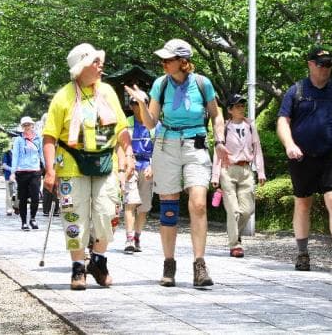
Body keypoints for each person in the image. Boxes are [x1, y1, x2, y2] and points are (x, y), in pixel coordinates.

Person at [125, 38, 228, 288]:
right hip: (166, 145)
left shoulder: (202, 83)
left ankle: (199, 264)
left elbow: (217, 115)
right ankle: (169, 263)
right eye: (162, 59)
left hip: (195, 144)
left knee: (199, 203)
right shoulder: (160, 84)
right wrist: (142, 103)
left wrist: (220, 141)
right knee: (169, 206)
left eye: (168, 59)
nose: (163, 63)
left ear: (183, 62)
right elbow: (151, 123)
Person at [42, 43, 134, 290]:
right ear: (81, 67)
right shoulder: (63, 97)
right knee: (74, 216)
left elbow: (121, 128)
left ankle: (98, 260)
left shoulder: (108, 92)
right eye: (95, 62)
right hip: (71, 164)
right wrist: (50, 170)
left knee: (108, 213)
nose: (100, 65)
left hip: (106, 162)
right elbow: (49, 137)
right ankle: (77, 267)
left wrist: (128, 152)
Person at [276, 44, 332, 274]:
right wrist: (289, 145)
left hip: (331, 155)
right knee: (303, 203)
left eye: (329, 64)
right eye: (321, 64)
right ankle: (303, 254)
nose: (325, 68)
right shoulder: (296, 91)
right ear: (310, 65)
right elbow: (282, 122)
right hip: (302, 156)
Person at [211, 93, 266, 258]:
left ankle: (234, 232)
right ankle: (235, 244)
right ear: (230, 110)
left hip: (246, 171)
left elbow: (257, 149)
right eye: (237, 106)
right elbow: (218, 153)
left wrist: (261, 172)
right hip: (228, 170)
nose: (241, 109)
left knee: (248, 210)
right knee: (233, 210)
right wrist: (215, 176)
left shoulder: (250, 126)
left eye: (242, 106)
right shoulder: (225, 127)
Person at [121, 91, 155, 254]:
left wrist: (153, 165)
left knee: (144, 206)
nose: (137, 106)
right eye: (134, 103)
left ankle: (137, 237)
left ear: (147, 104)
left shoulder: (154, 124)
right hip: (131, 165)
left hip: (148, 166)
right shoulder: (126, 123)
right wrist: (124, 166)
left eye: (141, 102)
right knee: (130, 202)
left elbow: (160, 148)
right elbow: (120, 146)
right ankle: (129, 238)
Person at [10, 116, 45, 231]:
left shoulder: (38, 139)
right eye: (24, 125)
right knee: (23, 198)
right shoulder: (18, 140)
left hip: (35, 170)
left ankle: (33, 218)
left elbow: (42, 154)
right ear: (22, 127)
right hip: (22, 171)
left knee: (35, 197)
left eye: (28, 124)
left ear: (32, 125)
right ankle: (24, 222)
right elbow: (15, 156)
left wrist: (47, 168)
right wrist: (13, 172)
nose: (27, 127)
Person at [1, 146, 18, 216]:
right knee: (9, 193)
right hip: (8, 176)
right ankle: (9, 209)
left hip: (19, 176)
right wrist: (12, 169)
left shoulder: (21, 154)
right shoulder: (7, 153)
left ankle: (16, 206)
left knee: (19, 192)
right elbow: (4, 165)